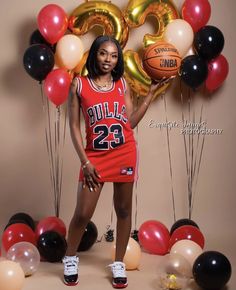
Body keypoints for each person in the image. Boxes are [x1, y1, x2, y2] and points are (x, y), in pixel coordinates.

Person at [62, 35, 167, 288]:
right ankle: (70, 257)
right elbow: (74, 127)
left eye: (113, 55)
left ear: (117, 59)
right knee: (82, 214)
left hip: (124, 153)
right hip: (94, 158)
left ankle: (119, 263)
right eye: (103, 53)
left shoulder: (122, 85)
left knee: (123, 211)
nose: (108, 59)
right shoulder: (79, 84)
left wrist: (151, 94)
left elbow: (128, 123)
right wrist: (85, 162)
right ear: (94, 54)